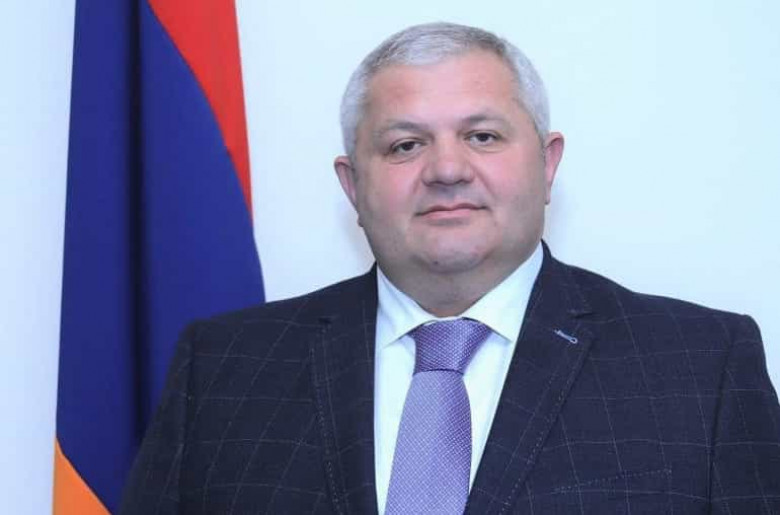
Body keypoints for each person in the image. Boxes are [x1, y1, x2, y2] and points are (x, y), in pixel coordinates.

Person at [121, 22, 780, 514]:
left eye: (482, 136)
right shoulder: (223, 367)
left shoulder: (702, 367)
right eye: (405, 145)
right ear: (352, 186)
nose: (445, 169)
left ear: (547, 163)